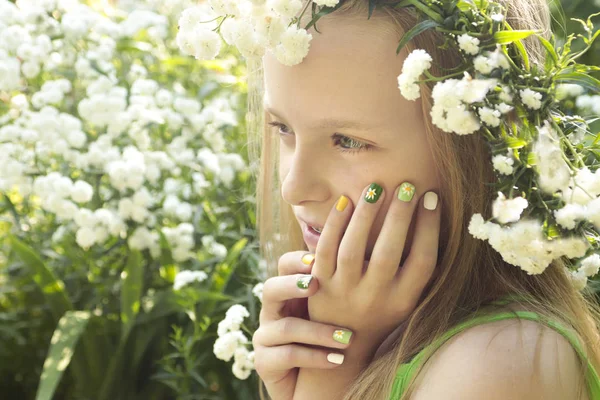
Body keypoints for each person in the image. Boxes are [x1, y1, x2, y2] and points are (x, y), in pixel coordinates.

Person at [242, 0, 600, 399]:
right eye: (283, 127)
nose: (294, 187)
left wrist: (328, 373)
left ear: (472, 150)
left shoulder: (499, 363)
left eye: (349, 141)